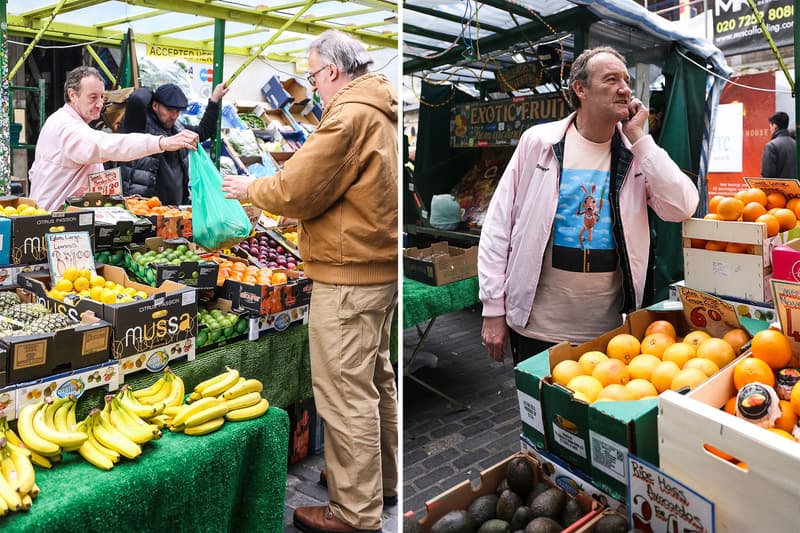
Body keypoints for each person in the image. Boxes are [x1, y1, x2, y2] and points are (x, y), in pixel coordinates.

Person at [221, 30, 397, 533]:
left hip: (348, 275)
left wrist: (249, 187)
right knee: (374, 381)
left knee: (345, 393)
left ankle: (355, 513)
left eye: (314, 74)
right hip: (374, 269)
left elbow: (300, 188)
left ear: (334, 72)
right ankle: (375, 483)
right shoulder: (379, 107)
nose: (313, 85)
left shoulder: (348, 114)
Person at [478, 46, 699, 364]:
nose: (624, 88)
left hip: (610, 332)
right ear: (580, 89)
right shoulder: (540, 143)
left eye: (626, 79)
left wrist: (640, 138)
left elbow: (683, 207)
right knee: (539, 412)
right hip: (536, 327)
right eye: (611, 79)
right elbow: (499, 225)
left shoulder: (635, 154)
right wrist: (493, 308)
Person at [28, 66, 198, 211]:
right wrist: (162, 142)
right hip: (54, 219)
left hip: (71, 216)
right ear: (72, 95)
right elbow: (105, 145)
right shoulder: (65, 125)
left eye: (102, 97)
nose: (100, 104)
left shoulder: (74, 123)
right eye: (93, 97)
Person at [115, 82, 229, 205]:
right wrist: (151, 91)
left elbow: (203, 131)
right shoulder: (139, 126)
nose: (174, 116)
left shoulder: (178, 129)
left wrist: (214, 100)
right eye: (169, 110)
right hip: (144, 207)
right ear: (154, 105)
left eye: (177, 111)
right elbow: (137, 99)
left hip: (174, 208)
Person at [761, 111, 796, 179]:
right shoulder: (795, 144)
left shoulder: (771, 146)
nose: (770, 129)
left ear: (775, 126)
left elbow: (767, 175)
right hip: (796, 188)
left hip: (778, 189)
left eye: (770, 126)